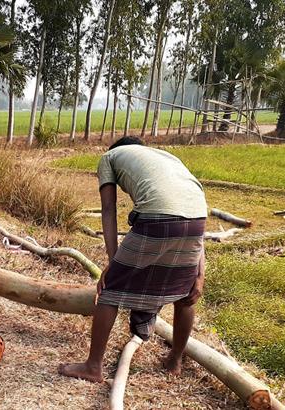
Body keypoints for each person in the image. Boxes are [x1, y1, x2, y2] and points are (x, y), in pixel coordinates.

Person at [58, 136, 207, 382]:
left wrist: (113, 262)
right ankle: (174, 361)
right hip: (197, 220)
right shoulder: (167, 158)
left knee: (109, 289)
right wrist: (198, 276)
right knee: (186, 292)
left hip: (157, 215)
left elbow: (108, 208)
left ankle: (93, 367)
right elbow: (191, 213)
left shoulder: (110, 157)